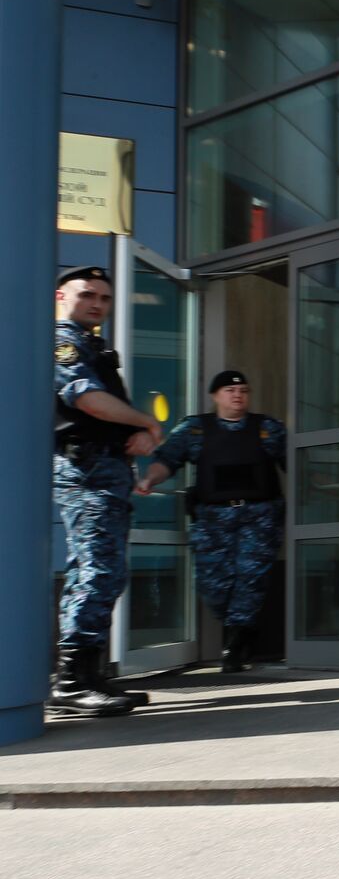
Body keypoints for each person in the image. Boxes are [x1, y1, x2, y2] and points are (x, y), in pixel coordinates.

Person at [51, 265, 163, 716]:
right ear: (61, 297)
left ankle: (89, 675)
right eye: (86, 294)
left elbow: (105, 413)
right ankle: (71, 682)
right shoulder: (63, 342)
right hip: (85, 471)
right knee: (98, 571)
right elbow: (86, 400)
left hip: (105, 469)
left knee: (101, 571)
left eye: (104, 298)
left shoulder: (94, 345)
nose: (97, 304)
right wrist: (147, 422)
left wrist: (134, 437)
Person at [136, 371, 286, 673]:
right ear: (215, 395)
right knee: (213, 585)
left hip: (258, 517)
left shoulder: (267, 429)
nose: (237, 395)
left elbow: (295, 460)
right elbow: (167, 460)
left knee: (250, 579)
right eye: (230, 390)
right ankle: (241, 628)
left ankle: (235, 645)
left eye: (243, 390)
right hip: (212, 520)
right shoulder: (194, 429)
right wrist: (150, 479)